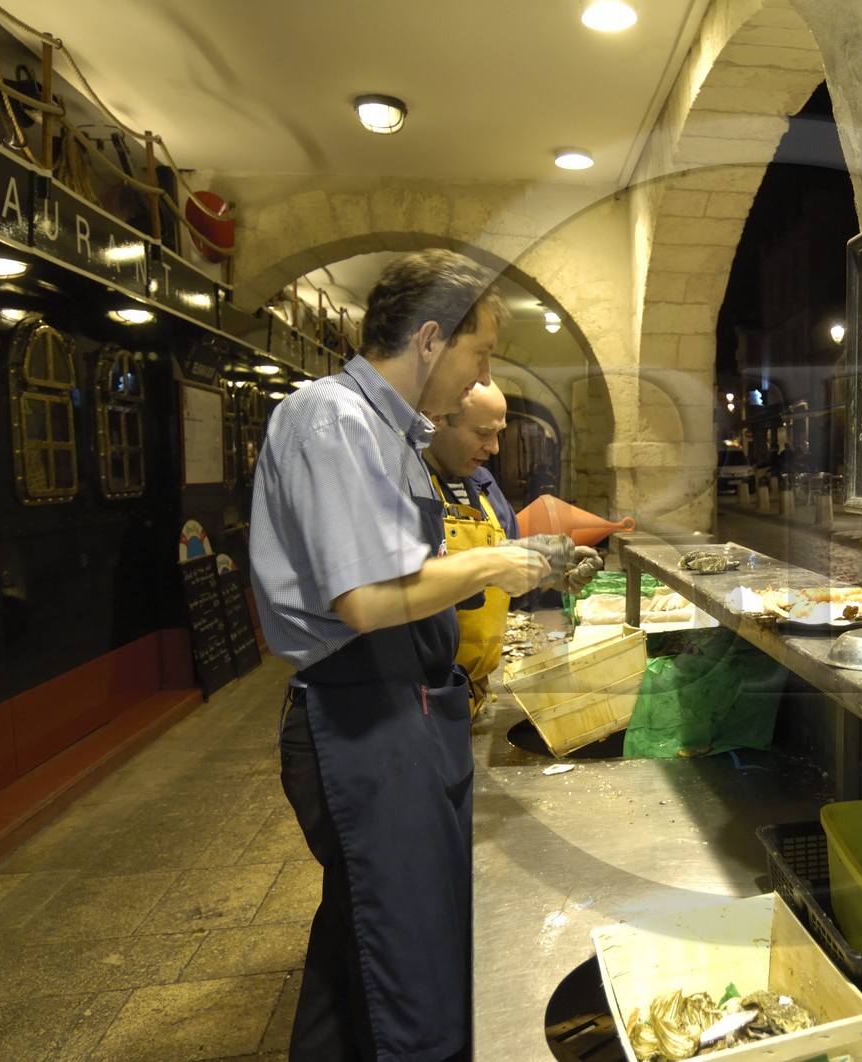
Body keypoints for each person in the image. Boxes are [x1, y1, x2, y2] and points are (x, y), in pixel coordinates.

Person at [249, 248, 553, 1061]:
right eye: (479, 354)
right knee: (412, 964)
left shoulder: (389, 433)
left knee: (362, 939)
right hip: (363, 713)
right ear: (430, 340)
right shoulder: (331, 418)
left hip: (403, 706)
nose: (480, 374)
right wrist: (497, 563)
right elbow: (365, 599)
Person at [425, 381, 601, 708]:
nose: (494, 448)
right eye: (481, 433)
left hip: (473, 690)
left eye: (498, 434)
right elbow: (412, 586)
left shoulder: (485, 488)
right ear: (436, 420)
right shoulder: (415, 490)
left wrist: (552, 573)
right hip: (424, 697)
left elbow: (507, 582)